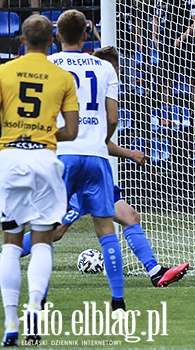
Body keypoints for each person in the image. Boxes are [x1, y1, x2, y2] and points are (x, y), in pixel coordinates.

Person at [18, 46, 190, 288]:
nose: (118, 73)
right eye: (117, 68)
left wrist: (126, 153)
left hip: (91, 171)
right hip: (82, 170)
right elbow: (99, 137)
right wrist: (129, 153)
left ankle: (155, 271)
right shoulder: (95, 95)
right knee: (54, 231)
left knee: (129, 216)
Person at [0, 15, 79, 346]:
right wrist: (44, 134)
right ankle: (35, 306)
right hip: (45, 158)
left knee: (10, 241)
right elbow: (72, 132)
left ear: (21, 40)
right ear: (51, 41)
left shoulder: (3, 73)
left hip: (10, 157)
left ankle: (10, 322)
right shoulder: (62, 77)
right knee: (43, 239)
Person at [48, 10, 126, 313]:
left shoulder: (49, 65)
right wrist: (101, 140)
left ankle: (38, 300)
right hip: (96, 155)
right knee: (106, 229)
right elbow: (112, 117)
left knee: (47, 229)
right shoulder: (105, 67)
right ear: (85, 35)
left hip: (61, 154)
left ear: (57, 36)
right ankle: (118, 300)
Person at [153, 0, 195, 119]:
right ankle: (167, 116)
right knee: (167, 81)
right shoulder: (162, 1)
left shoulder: (191, 1)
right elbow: (156, 17)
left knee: (193, 81)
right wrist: (154, 37)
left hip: (188, 44)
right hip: (169, 42)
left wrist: (182, 38)